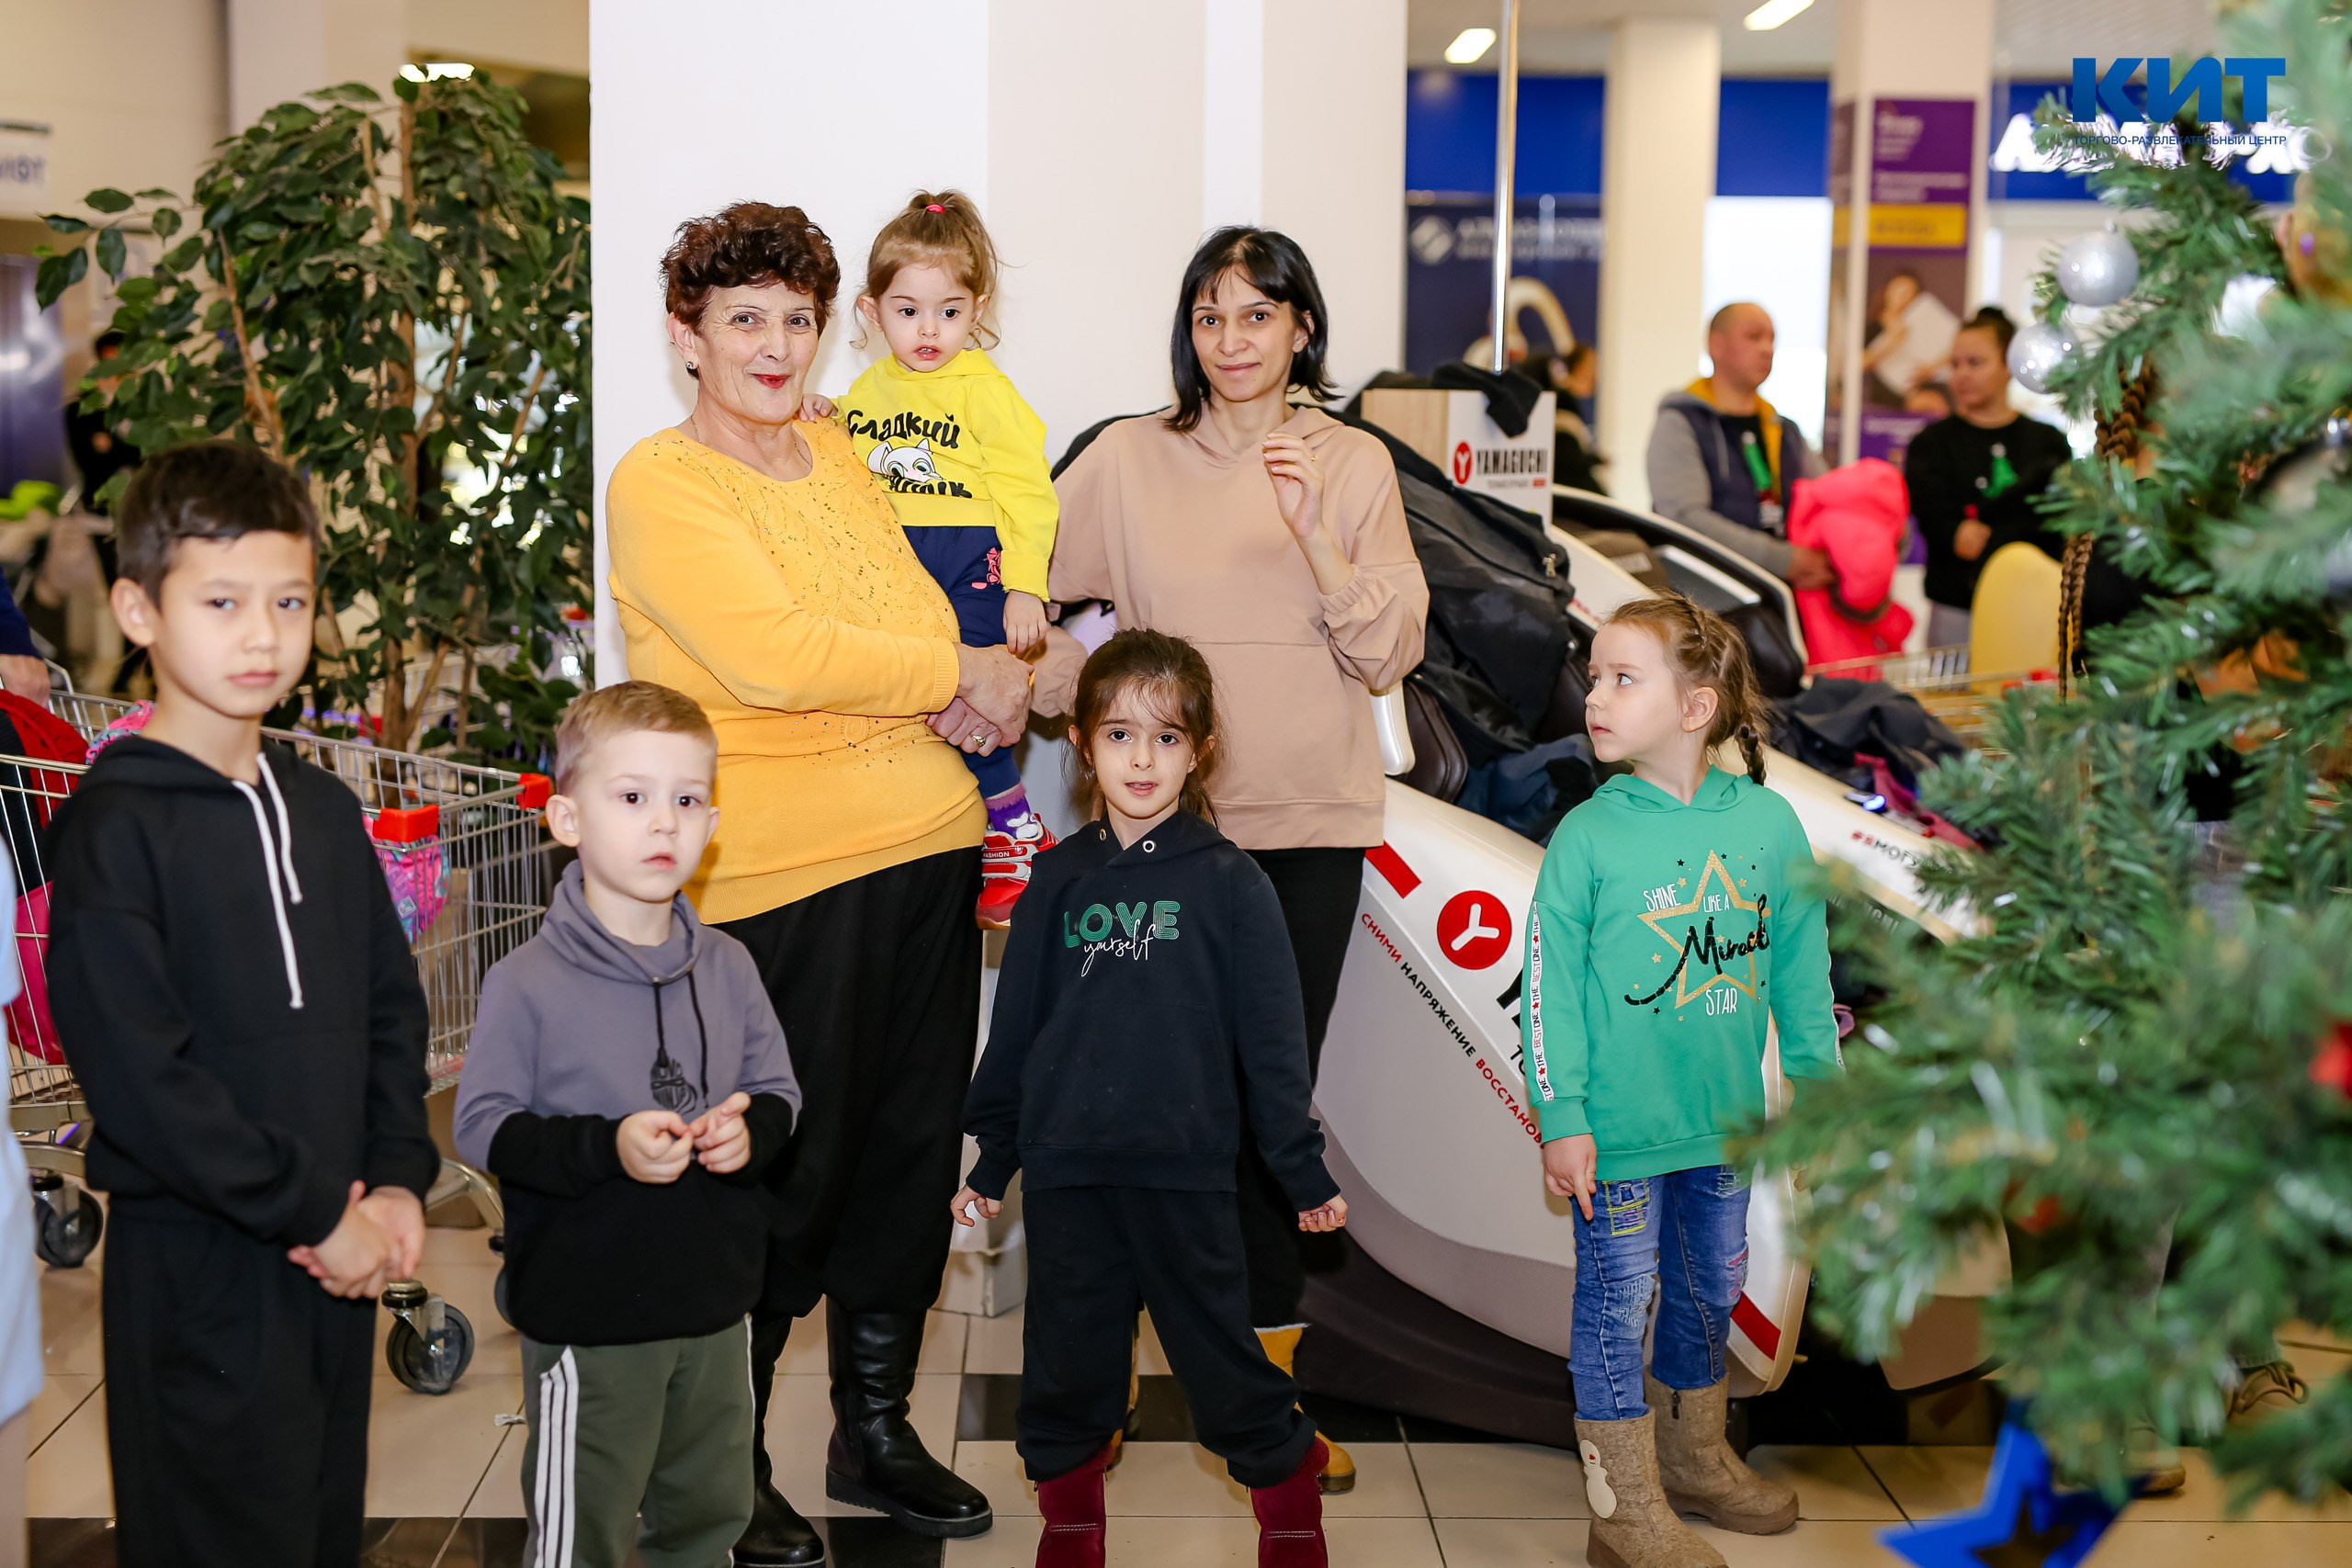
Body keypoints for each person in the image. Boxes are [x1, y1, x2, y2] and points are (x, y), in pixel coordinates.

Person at [605, 201, 1027, 1563]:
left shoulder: (840, 450)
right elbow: (775, 656)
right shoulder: (662, 482)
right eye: (745, 320)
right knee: (779, 1166)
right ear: (688, 337)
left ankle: (873, 1426)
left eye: (797, 317)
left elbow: (896, 615)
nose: (777, 347)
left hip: (929, 846)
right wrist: (960, 675)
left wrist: (947, 669)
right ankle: (724, 1450)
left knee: (902, 1163)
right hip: (778, 875)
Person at [1041, 225, 1427, 1495]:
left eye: (1259, 315)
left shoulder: (1353, 459)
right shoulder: (1129, 457)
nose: (1234, 339)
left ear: (1302, 328)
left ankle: (1265, 1405)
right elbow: (1055, 594)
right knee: (1140, 1110)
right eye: (1211, 316)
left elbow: (1389, 651)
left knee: (1270, 1114)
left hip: (1307, 823)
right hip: (1162, 833)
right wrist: (1024, 680)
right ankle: (1098, 1389)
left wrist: (1314, 530)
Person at [45, 440, 438, 1567]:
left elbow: (385, 1006)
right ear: (138, 609)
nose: (262, 634)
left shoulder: (318, 805)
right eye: (221, 601)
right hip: (202, 1262)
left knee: (316, 1522)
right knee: (219, 1534)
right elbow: (141, 1076)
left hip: (343, 1239)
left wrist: (401, 1174)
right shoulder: (118, 828)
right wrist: (314, 1213)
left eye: (288, 600)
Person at [956, 629, 1346, 1568]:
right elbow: (1018, 1034)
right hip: (1067, 1174)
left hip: (1184, 1174)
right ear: (1082, 744)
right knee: (1066, 1365)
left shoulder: (1231, 884)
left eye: (1167, 738)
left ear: (1201, 751)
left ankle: (1289, 1514)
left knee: (1221, 1361)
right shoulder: (1055, 878)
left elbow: (1273, 1049)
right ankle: (1072, 1523)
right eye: (1121, 734)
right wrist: (994, 1156)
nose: (1142, 759)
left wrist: (1298, 1170)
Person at [454, 681, 805, 1568]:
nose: (664, 824)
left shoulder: (728, 965)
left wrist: (747, 1131)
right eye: (634, 796)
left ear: (712, 819)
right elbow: (484, 1127)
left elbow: (777, 1089)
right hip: (589, 1315)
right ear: (567, 818)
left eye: (686, 800)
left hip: (718, 1310)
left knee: (707, 1513)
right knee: (586, 1528)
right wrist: (605, 1145)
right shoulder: (525, 982)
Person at [1522, 594, 1841, 1568]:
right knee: (1615, 1307)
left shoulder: (1768, 823)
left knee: (1713, 1290)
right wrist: (1559, 1116)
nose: (1595, 695)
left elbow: (1800, 967)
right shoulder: (1587, 836)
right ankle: (1620, 1507)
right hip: (1614, 1138)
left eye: (1624, 678)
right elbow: (1548, 993)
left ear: (1697, 708)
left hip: (1727, 1129)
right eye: (1595, 675)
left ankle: (1693, 1457)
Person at [842, 191, 1059, 927]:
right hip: (897, 560)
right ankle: (993, 824)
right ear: (873, 313)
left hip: (969, 554)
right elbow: (847, 465)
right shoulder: (865, 392)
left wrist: (1026, 586)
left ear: (978, 307)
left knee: (966, 692)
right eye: (907, 311)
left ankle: (1017, 827)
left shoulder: (986, 391)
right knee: (916, 693)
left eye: (949, 311)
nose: (928, 329)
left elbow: (1030, 494)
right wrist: (819, 419)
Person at [1904, 306, 2074, 648]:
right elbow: (1942, 523)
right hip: (1957, 611)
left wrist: (1991, 534)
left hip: (2037, 606)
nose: (1961, 375)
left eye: (1975, 363)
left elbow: (2059, 523)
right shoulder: (1931, 444)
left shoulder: (2048, 443)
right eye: (1955, 364)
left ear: (2009, 364)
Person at [1645, 302, 1830, 589]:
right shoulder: (1681, 422)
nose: (1767, 349)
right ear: (1716, 345)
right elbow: (1685, 519)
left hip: (1778, 603)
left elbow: (1829, 496)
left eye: (1772, 339)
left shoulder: (1785, 430)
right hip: (1704, 605)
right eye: (1754, 337)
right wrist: (1782, 559)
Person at [1860, 270, 1962, 409]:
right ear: (1887, 292)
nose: (1903, 297)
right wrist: (1892, 339)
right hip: (1887, 397)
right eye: (1898, 290)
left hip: (1928, 390)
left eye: (1909, 292)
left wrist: (1931, 370)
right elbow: (1861, 364)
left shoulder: (1926, 317)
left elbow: (1958, 342)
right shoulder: (1874, 327)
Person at [1544, 344, 1606, 494]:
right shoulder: (1564, 402)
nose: (1596, 372)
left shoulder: (1568, 400)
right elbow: (1566, 459)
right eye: (1592, 365)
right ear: (1580, 367)